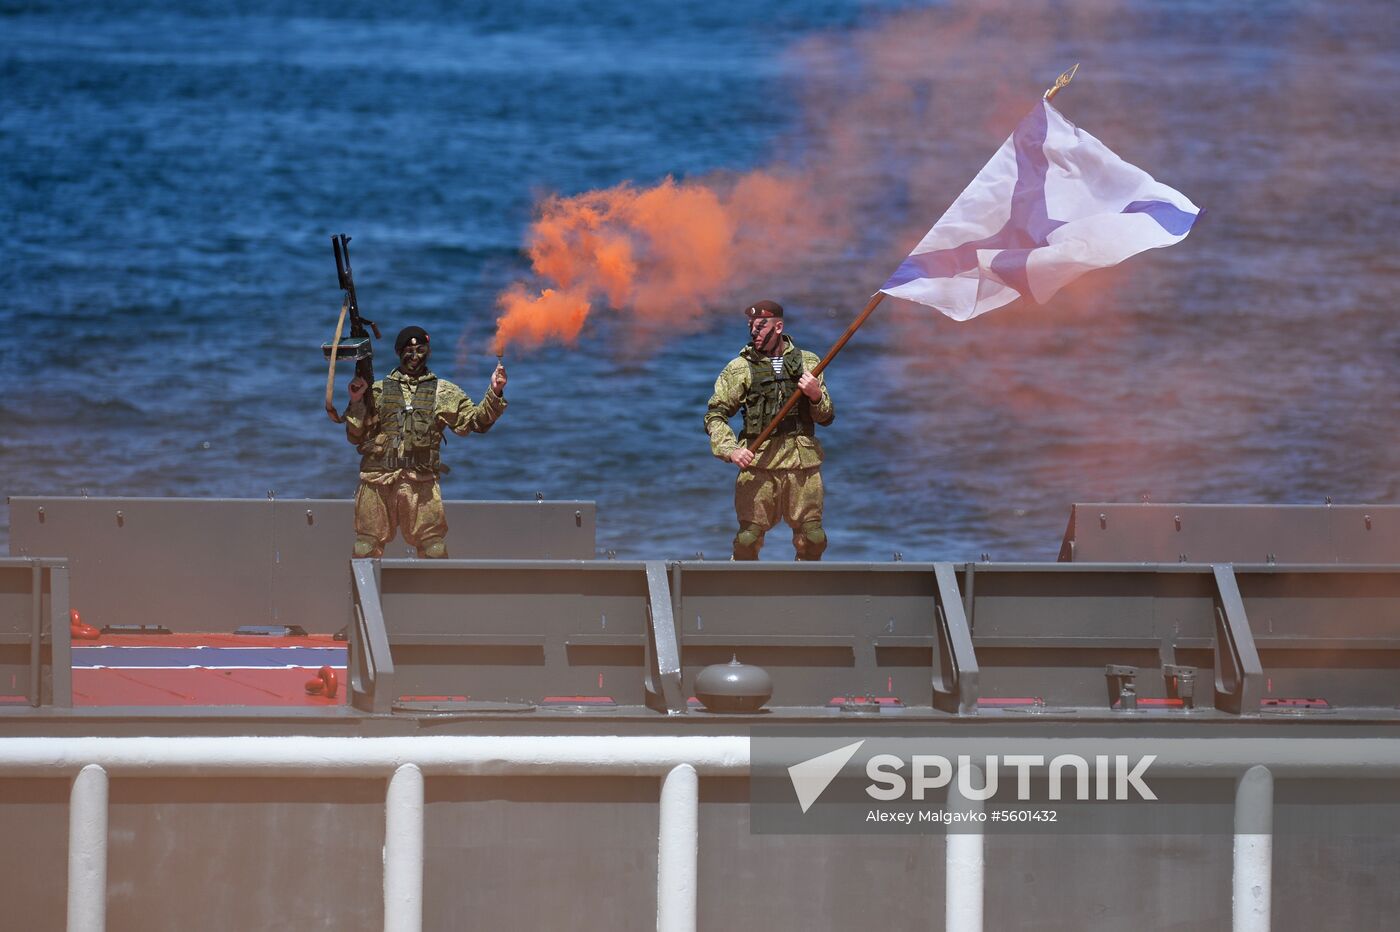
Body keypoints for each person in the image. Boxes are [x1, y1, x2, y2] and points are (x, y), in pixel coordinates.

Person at [344, 325, 507, 558]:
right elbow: (355, 435)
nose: (414, 356)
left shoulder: (444, 393)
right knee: (365, 548)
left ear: (428, 352)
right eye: (408, 351)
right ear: (399, 352)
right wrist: (356, 400)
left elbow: (476, 422)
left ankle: (433, 583)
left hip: (422, 486)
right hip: (377, 483)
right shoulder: (377, 391)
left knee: (434, 550)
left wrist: (495, 391)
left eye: (420, 350)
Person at [704, 300, 834, 560]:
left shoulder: (809, 362)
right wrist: (731, 450)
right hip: (759, 464)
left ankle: (806, 581)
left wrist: (815, 395)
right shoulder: (740, 368)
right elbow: (715, 415)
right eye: (750, 327)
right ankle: (742, 582)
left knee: (813, 538)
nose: (754, 332)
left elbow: (826, 417)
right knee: (747, 540)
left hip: (802, 464)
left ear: (778, 327)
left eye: (760, 327)